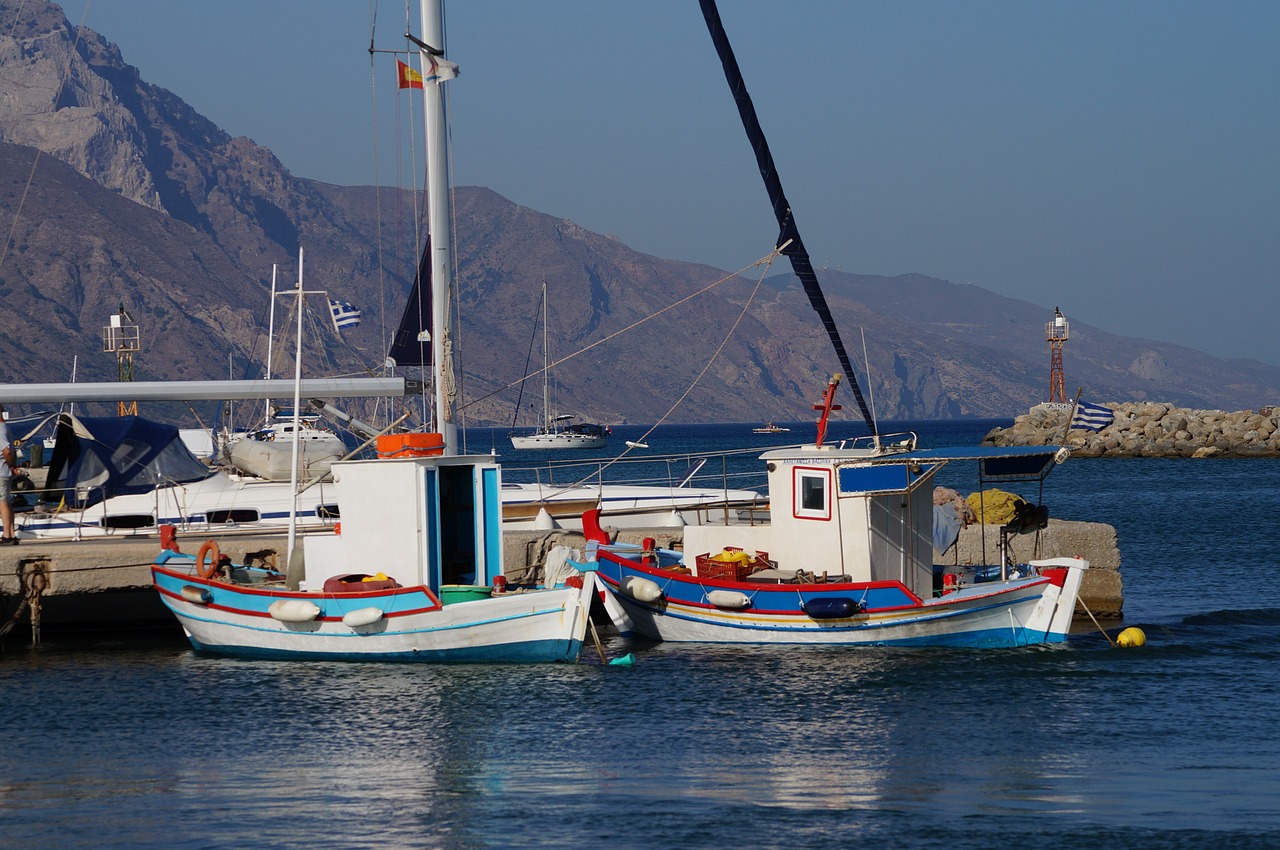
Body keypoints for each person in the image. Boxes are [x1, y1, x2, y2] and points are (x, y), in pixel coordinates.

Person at [0, 404, 16, 544]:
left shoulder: (0, 430)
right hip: (5, 471)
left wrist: (9, 463)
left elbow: (7, 451)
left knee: (2, 502)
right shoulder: (6, 428)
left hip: (0, 472)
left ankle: (6, 535)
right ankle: (11, 532)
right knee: (7, 503)